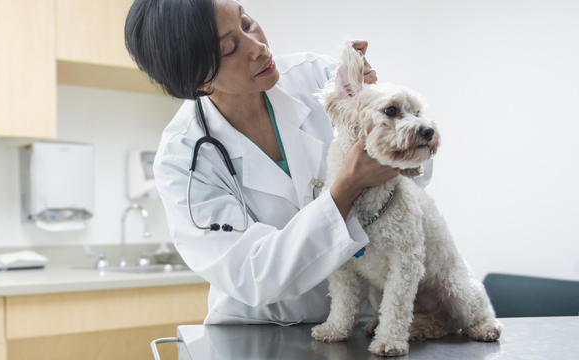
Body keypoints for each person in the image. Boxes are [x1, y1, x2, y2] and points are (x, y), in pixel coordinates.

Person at [125, 0, 431, 325]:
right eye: (230, 49)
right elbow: (253, 275)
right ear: (199, 81)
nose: (257, 47)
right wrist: (346, 190)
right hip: (259, 330)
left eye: (247, 23)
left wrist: (388, 120)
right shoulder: (183, 160)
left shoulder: (319, 77)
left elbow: (416, 175)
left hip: (360, 322)